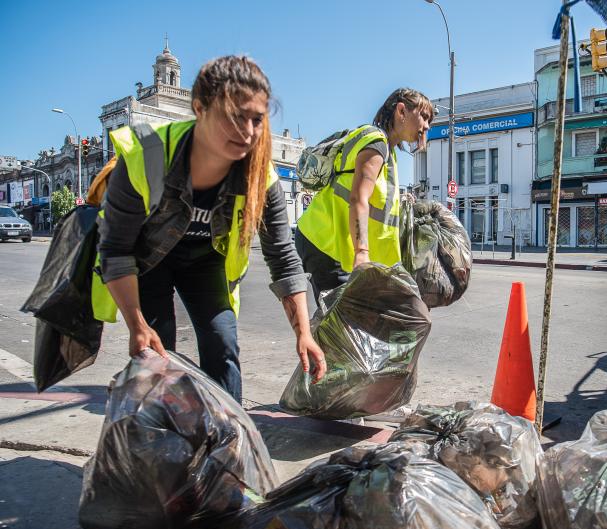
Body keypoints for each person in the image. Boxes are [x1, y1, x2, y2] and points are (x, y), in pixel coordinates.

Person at [95, 55, 325, 401]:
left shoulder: (260, 177)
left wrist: (304, 333)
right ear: (200, 108)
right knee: (158, 356)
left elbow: (283, 257)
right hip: (149, 260)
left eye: (256, 120)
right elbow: (115, 250)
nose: (247, 133)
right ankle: (160, 438)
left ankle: (229, 439)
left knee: (222, 345)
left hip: (205, 259)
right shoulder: (147, 156)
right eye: (234, 117)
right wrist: (137, 325)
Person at [295, 88, 434, 303]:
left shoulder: (388, 152)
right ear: (401, 111)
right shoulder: (376, 143)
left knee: (350, 325)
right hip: (327, 243)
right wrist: (362, 252)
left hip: (334, 245)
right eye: (424, 116)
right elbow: (358, 198)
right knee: (343, 327)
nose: (427, 126)